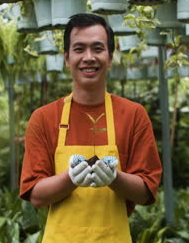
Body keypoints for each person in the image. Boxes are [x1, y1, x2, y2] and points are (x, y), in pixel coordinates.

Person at [19, 13, 162, 243]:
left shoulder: (133, 115)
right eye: (79, 49)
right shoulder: (44, 118)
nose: (89, 57)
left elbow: (147, 192)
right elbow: (35, 195)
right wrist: (70, 179)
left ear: (110, 56)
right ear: (66, 58)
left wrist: (114, 178)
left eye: (97, 48)